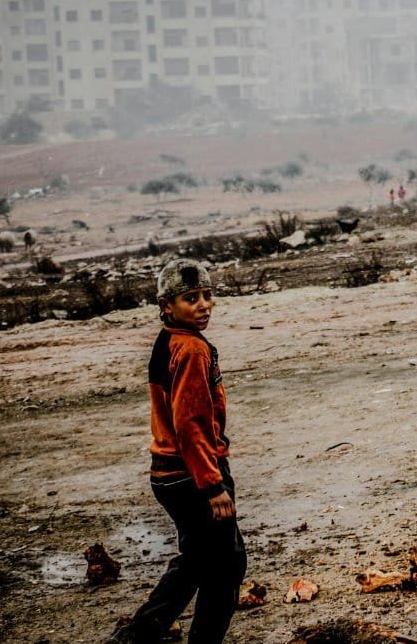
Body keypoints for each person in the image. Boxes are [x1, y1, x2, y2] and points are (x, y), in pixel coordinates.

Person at [108, 259, 246, 644]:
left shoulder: (169, 339)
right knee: (224, 568)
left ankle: (137, 636)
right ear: (167, 305)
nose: (204, 305)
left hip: (170, 474)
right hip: (192, 475)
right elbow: (190, 424)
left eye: (207, 295)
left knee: (201, 562)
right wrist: (213, 485)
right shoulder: (190, 351)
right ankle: (141, 637)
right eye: (191, 298)